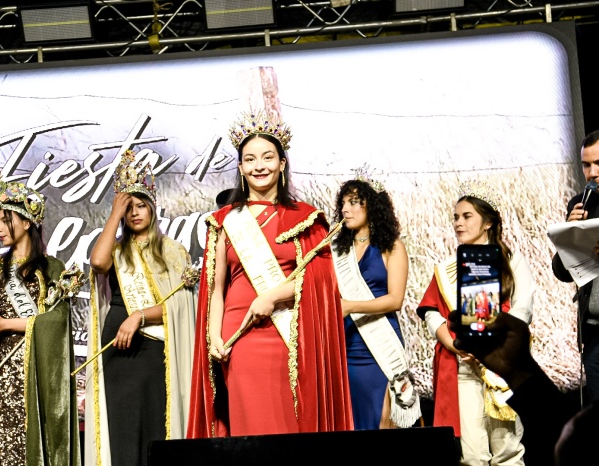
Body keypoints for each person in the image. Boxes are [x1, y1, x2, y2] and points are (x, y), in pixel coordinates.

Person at [186, 110, 352, 437]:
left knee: (289, 425)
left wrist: (273, 296)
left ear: (282, 163)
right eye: (250, 159)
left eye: (267, 157)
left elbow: (321, 280)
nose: (259, 166)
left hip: (290, 332)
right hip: (239, 335)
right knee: (250, 427)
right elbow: (216, 289)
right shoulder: (223, 221)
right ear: (240, 168)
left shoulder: (306, 219)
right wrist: (214, 336)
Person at [0, 171, 80, 466]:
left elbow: (56, 323)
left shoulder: (51, 268)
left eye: (5, 220)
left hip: (32, 377)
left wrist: (5, 324)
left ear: (26, 222)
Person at [85, 151, 196, 466]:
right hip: (118, 351)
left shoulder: (173, 252)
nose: (134, 213)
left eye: (141, 205)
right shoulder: (117, 250)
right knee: (121, 429)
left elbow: (181, 306)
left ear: (153, 207)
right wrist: (113, 214)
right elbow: (98, 262)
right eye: (128, 208)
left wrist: (139, 316)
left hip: (154, 350)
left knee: (153, 427)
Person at [416, 180, 535, 466]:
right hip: (465, 366)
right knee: (471, 455)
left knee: (508, 451)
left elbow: (523, 309)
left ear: (488, 222)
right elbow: (431, 312)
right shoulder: (447, 268)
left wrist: (495, 344)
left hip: (502, 365)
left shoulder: (512, 261)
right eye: (456, 217)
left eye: (467, 216)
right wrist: (454, 344)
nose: (458, 223)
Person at [330, 178, 421, 430]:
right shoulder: (337, 251)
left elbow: (395, 299)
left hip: (380, 343)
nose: (345, 210)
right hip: (347, 343)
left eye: (354, 203)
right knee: (350, 421)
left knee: (382, 422)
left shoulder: (392, 247)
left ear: (372, 205)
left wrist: (350, 306)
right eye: (343, 204)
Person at [447, 310, 583, 466]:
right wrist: (518, 372)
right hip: (465, 370)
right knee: (473, 452)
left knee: (507, 448)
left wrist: (518, 372)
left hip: (502, 375)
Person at [552, 129, 599, 404]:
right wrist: (569, 236)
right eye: (586, 165)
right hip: (593, 330)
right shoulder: (580, 205)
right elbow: (562, 272)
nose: (592, 173)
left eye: (598, 164)